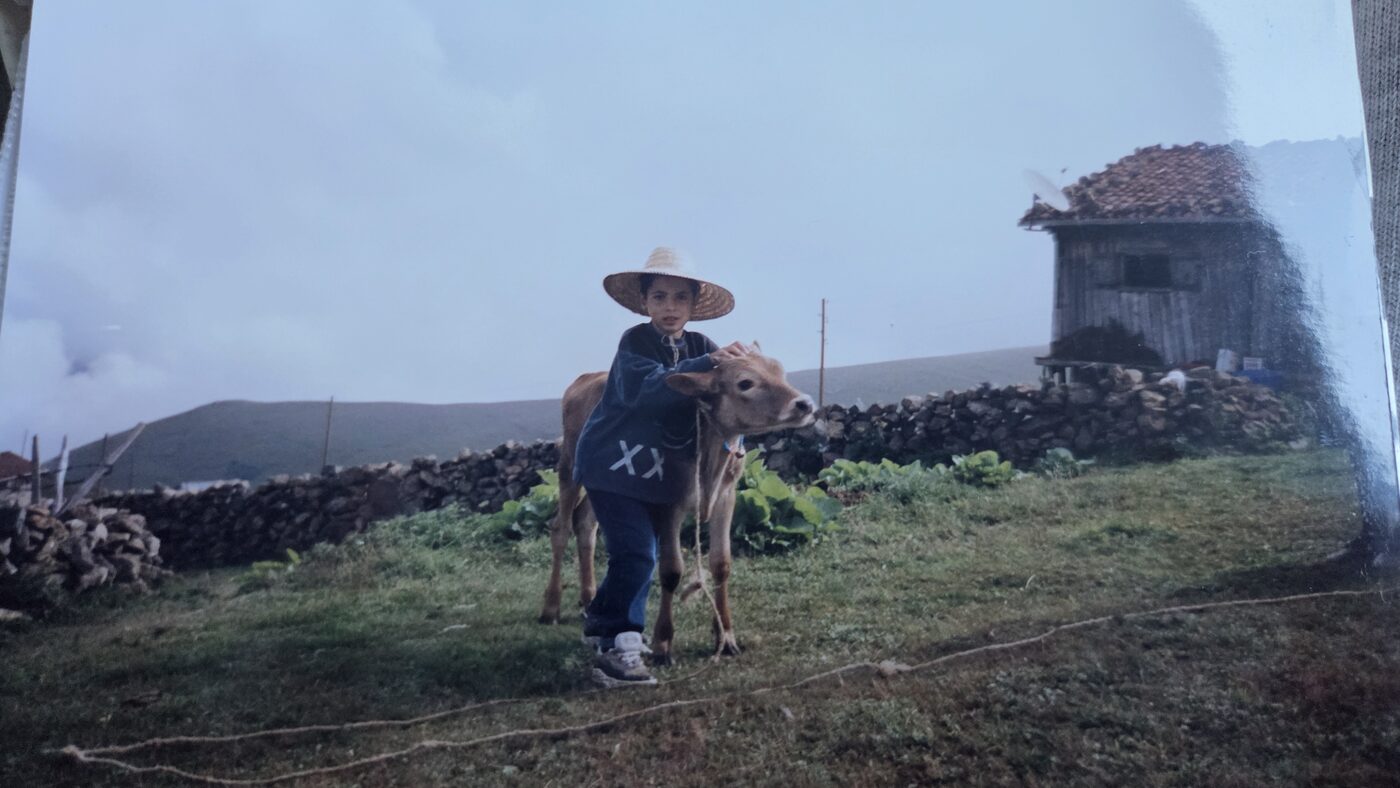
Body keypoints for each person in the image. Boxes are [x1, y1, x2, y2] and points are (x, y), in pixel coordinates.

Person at [573, 247, 748, 687]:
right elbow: (650, 388)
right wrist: (708, 363)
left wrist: (732, 439)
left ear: (692, 305)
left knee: (637, 554)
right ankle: (621, 650)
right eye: (660, 297)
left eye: (680, 298)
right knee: (638, 554)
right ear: (645, 302)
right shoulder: (634, 344)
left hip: (656, 474)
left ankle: (600, 621)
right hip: (611, 465)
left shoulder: (701, 345)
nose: (670, 307)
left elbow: (719, 402)